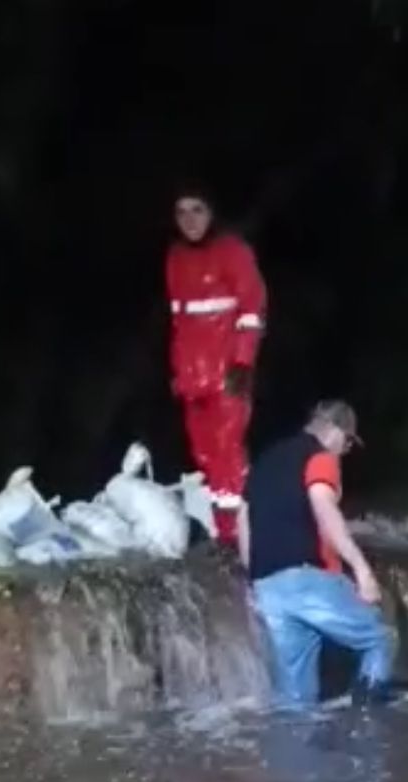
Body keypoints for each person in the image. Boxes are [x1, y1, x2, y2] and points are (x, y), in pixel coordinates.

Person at [238, 400, 392, 707]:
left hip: (268, 584)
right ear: (335, 432)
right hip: (307, 576)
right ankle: (372, 729)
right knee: (378, 638)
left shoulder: (264, 462)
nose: (346, 451)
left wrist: (252, 576)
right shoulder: (321, 458)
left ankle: (294, 750)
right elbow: (324, 509)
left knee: (296, 696)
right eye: (348, 442)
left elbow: (243, 519)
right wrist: (362, 570)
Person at [165, 183, 267, 545]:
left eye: (197, 210)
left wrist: (242, 364)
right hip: (195, 377)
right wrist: (179, 371)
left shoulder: (233, 252)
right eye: (181, 212)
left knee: (228, 450)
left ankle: (236, 534)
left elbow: (252, 311)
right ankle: (225, 531)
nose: (190, 220)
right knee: (204, 453)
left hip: (227, 374)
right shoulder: (176, 258)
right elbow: (179, 320)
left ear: (212, 213)